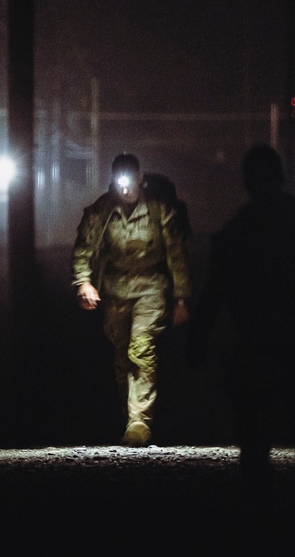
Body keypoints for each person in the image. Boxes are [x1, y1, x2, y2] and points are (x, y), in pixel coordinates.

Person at [187, 144, 295, 511]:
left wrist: (198, 339)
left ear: (247, 182)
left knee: (255, 432)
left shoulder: (239, 230)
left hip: (257, 343)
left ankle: (262, 505)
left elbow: (214, 291)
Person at [72, 153, 191, 447]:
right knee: (122, 354)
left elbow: (176, 254)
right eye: (119, 183)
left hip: (151, 287)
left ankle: (140, 421)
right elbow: (84, 248)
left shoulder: (159, 209)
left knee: (141, 347)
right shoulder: (103, 210)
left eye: (130, 182)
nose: (125, 190)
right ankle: (127, 415)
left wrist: (181, 298)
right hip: (115, 289)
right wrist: (84, 282)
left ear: (140, 179)